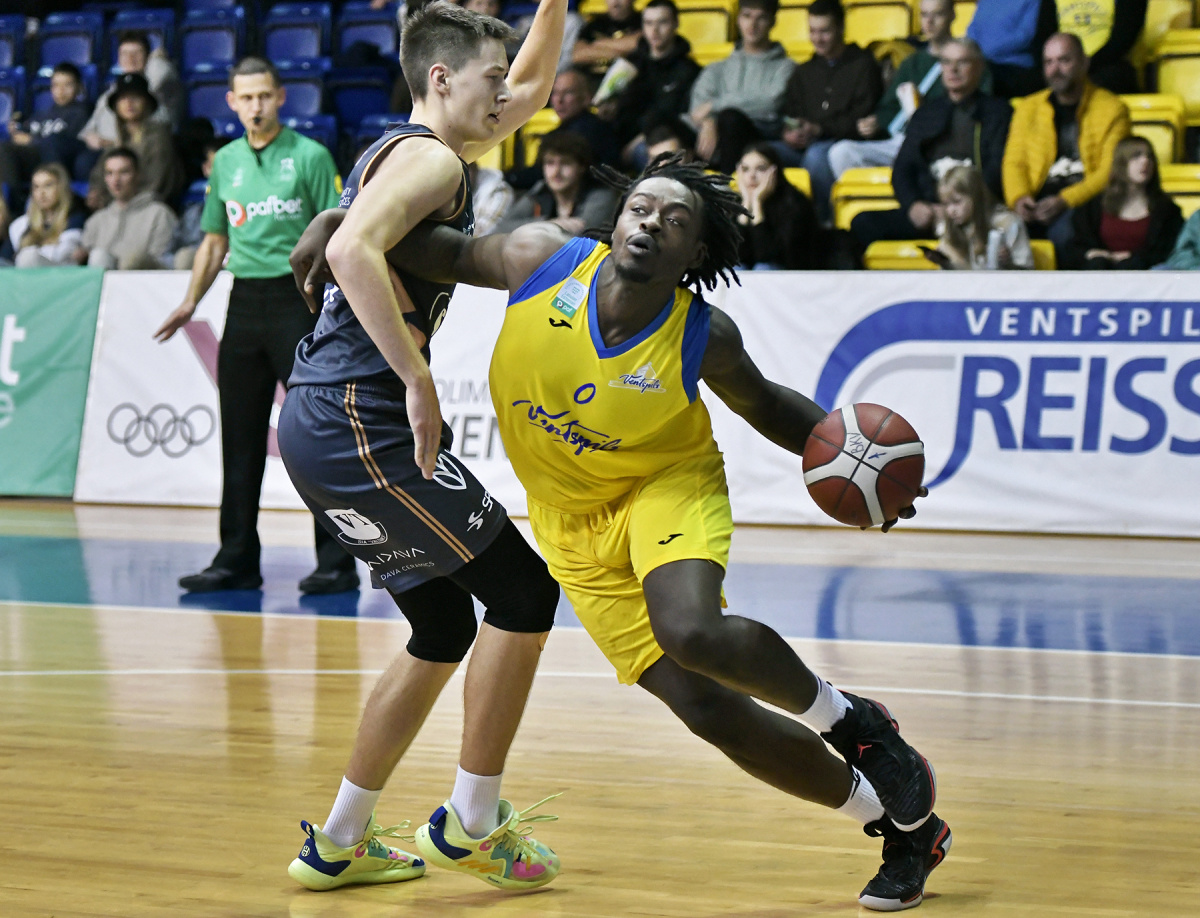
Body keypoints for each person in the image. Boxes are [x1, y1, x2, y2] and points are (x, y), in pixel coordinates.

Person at [295, 151, 946, 912]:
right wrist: (341, 220)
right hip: (569, 522)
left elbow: (767, 404)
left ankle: (854, 722)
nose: (652, 224)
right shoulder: (539, 260)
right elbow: (422, 247)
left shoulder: (702, 333)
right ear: (617, 221)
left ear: (694, 254)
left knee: (691, 630)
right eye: (641, 208)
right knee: (709, 711)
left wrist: (867, 470)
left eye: (675, 220)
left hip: (663, 488)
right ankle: (904, 828)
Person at [280, 0, 570, 893]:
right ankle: (472, 825)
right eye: (488, 79)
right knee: (524, 593)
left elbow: (532, 86)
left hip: (322, 420)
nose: (504, 96)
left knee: (443, 627)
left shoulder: (407, 148)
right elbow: (351, 252)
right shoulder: (433, 158)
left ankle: (337, 843)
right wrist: (416, 377)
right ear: (441, 80)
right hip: (359, 414)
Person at [151, 57, 358, 596]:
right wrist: (190, 301)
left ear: (281, 97)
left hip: (298, 303)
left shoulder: (310, 156)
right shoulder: (225, 161)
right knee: (239, 441)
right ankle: (236, 558)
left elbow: (337, 234)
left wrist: (335, 308)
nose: (256, 105)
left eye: (264, 95)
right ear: (232, 103)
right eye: (246, 98)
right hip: (243, 305)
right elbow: (214, 240)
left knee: (317, 437)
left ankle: (337, 563)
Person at [851, 38, 1011, 252]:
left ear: (979, 67)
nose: (953, 70)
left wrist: (959, 207)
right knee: (863, 222)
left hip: (977, 214)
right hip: (929, 211)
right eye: (946, 62)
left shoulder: (999, 113)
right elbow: (903, 168)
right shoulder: (926, 114)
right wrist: (914, 204)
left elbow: (997, 170)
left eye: (962, 62)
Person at [1002, 33, 1130, 259]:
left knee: (1065, 232)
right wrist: (1019, 197)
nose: (1055, 69)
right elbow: (1014, 163)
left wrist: (1064, 201)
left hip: (1085, 203)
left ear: (1084, 63)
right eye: (1048, 62)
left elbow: (1110, 171)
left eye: (1064, 60)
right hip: (1036, 203)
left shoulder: (1112, 109)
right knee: (1001, 233)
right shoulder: (1028, 108)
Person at [827, 0, 969, 181]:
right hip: (903, 142)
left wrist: (925, 113)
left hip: (942, 143)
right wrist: (877, 122)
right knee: (841, 152)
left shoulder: (967, 59)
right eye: (924, 15)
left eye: (938, 14)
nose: (929, 22)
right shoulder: (911, 62)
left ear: (952, 15)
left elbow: (974, 108)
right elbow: (890, 107)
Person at [773, 0, 882, 222]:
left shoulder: (863, 65)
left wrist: (819, 129)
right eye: (812, 31)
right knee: (763, 153)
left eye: (824, 31)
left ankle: (822, 224)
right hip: (803, 144)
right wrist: (789, 132)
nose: (817, 39)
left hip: (841, 143)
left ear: (841, 28)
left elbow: (862, 119)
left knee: (816, 157)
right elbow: (789, 111)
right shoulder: (803, 71)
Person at [688, 0, 795, 175]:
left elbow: (770, 103)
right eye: (747, 16)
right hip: (715, 140)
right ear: (738, 20)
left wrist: (715, 106)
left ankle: (727, 185)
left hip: (761, 138)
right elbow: (697, 110)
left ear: (773, 22)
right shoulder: (716, 68)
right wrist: (709, 121)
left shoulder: (786, 67)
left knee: (731, 119)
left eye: (761, 18)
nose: (752, 24)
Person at [603, 0, 700, 168]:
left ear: (676, 24)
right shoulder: (629, 65)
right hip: (621, 141)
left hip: (662, 143)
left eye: (662, 22)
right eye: (648, 23)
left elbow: (679, 120)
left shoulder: (689, 70)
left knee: (651, 152)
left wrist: (636, 142)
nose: (654, 30)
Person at [1061, 136, 1182, 270]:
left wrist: (1134, 258)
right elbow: (1074, 247)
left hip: (1144, 275)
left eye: (1150, 157)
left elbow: (1168, 252)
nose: (1145, 161)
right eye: (1136, 156)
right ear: (1121, 163)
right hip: (1099, 271)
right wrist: (1090, 253)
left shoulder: (1168, 210)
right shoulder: (1093, 207)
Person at [78, 31, 183, 165]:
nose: (130, 58)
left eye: (137, 53)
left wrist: (157, 59)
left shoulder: (157, 82)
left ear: (147, 57)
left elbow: (162, 71)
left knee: (86, 162)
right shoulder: (110, 93)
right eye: (124, 54)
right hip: (104, 152)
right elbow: (87, 130)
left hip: (140, 152)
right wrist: (91, 137)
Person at [508, 67, 622, 189]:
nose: (559, 100)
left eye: (568, 93)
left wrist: (509, 178)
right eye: (555, 93)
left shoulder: (595, 131)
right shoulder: (556, 133)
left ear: (586, 98)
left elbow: (539, 174)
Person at [495, 130, 619, 235]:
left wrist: (539, 228)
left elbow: (585, 234)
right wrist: (551, 224)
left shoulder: (601, 195)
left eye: (565, 163)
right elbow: (501, 228)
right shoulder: (540, 192)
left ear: (582, 167)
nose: (556, 172)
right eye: (550, 163)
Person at [0, 62, 89, 207]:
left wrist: (32, 141)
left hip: (57, 162)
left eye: (67, 85)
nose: (61, 91)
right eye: (56, 85)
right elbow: (24, 134)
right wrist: (16, 132)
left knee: (50, 143)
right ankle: (10, 204)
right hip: (33, 160)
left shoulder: (81, 113)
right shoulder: (42, 114)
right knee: (3, 148)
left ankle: (20, 204)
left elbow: (66, 143)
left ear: (79, 87)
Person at [88, 73, 184, 206]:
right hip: (118, 207)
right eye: (123, 98)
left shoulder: (159, 137)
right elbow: (99, 177)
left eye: (135, 97)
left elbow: (156, 185)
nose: (129, 103)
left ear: (146, 103)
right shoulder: (118, 140)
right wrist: (96, 195)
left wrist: (118, 203)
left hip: (148, 207)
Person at [74, 147, 177, 269]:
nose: (116, 180)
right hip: (101, 278)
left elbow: (162, 263)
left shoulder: (160, 214)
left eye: (123, 172)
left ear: (138, 175)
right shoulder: (96, 220)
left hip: (142, 278)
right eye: (110, 173)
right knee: (98, 256)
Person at [735, 142, 820, 269]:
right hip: (755, 272)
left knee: (764, 268)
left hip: (791, 272)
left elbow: (769, 256)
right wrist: (746, 205)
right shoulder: (735, 202)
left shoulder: (794, 202)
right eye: (745, 169)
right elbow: (734, 256)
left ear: (774, 172)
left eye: (761, 169)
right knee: (734, 269)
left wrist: (757, 205)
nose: (752, 176)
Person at [932, 163, 1033, 269]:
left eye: (957, 202)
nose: (950, 211)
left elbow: (1028, 270)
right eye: (946, 204)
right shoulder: (947, 228)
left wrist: (1008, 263)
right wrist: (945, 263)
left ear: (975, 197)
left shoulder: (1008, 223)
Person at [966, 0, 1057, 98]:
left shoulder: (1033, 2)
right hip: (983, 61)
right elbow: (973, 29)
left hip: (1014, 66)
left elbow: (1025, 36)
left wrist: (986, 52)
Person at [1054, 0, 1147, 95]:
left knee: (1111, 76)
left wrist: (1083, 66)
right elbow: (1047, 36)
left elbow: (1123, 39)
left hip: (1109, 64)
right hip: (1062, 65)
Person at [8, 163, 84, 268]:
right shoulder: (22, 224)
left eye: (48, 185)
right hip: (29, 273)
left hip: (61, 273)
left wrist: (36, 252)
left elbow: (64, 255)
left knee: (29, 256)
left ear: (61, 188)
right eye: (36, 187)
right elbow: (9, 258)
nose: (41, 193)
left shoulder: (75, 217)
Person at [169, 138, 228, 269]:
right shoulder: (192, 214)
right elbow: (168, 254)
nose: (220, 173)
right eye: (213, 166)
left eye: (225, 166)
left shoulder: (248, 209)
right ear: (205, 168)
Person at [572, 0, 643, 84]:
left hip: (631, 82)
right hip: (591, 81)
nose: (615, 2)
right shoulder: (594, 24)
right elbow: (578, 55)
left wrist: (597, 44)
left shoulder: (644, 21)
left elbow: (638, 43)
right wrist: (624, 54)